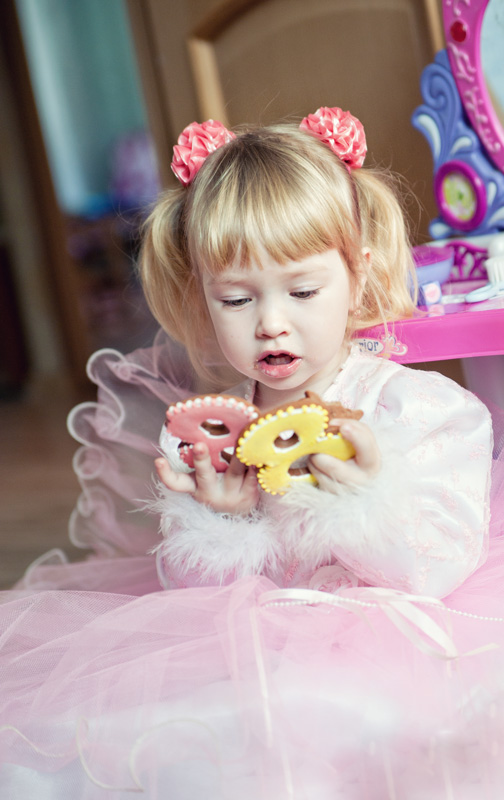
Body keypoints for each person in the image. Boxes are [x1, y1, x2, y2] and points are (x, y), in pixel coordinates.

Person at [0, 107, 503, 799]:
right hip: (252, 661)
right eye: (236, 299)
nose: (271, 322)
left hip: (398, 654)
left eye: (303, 291)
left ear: (357, 275)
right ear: (203, 300)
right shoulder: (215, 432)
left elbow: (438, 566)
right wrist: (224, 522)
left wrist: (361, 502)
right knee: (168, 745)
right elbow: (188, 602)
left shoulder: (415, 409)